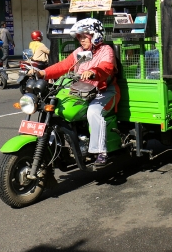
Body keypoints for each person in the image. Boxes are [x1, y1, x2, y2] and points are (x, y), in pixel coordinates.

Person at [31, 18, 119, 167]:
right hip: (81, 90)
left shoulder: (106, 50)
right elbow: (64, 65)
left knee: (93, 112)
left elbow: (106, 68)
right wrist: (42, 73)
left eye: (84, 36)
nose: (81, 40)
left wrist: (93, 72)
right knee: (58, 106)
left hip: (103, 91)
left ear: (95, 35)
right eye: (79, 37)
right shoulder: (80, 52)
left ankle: (100, 152)